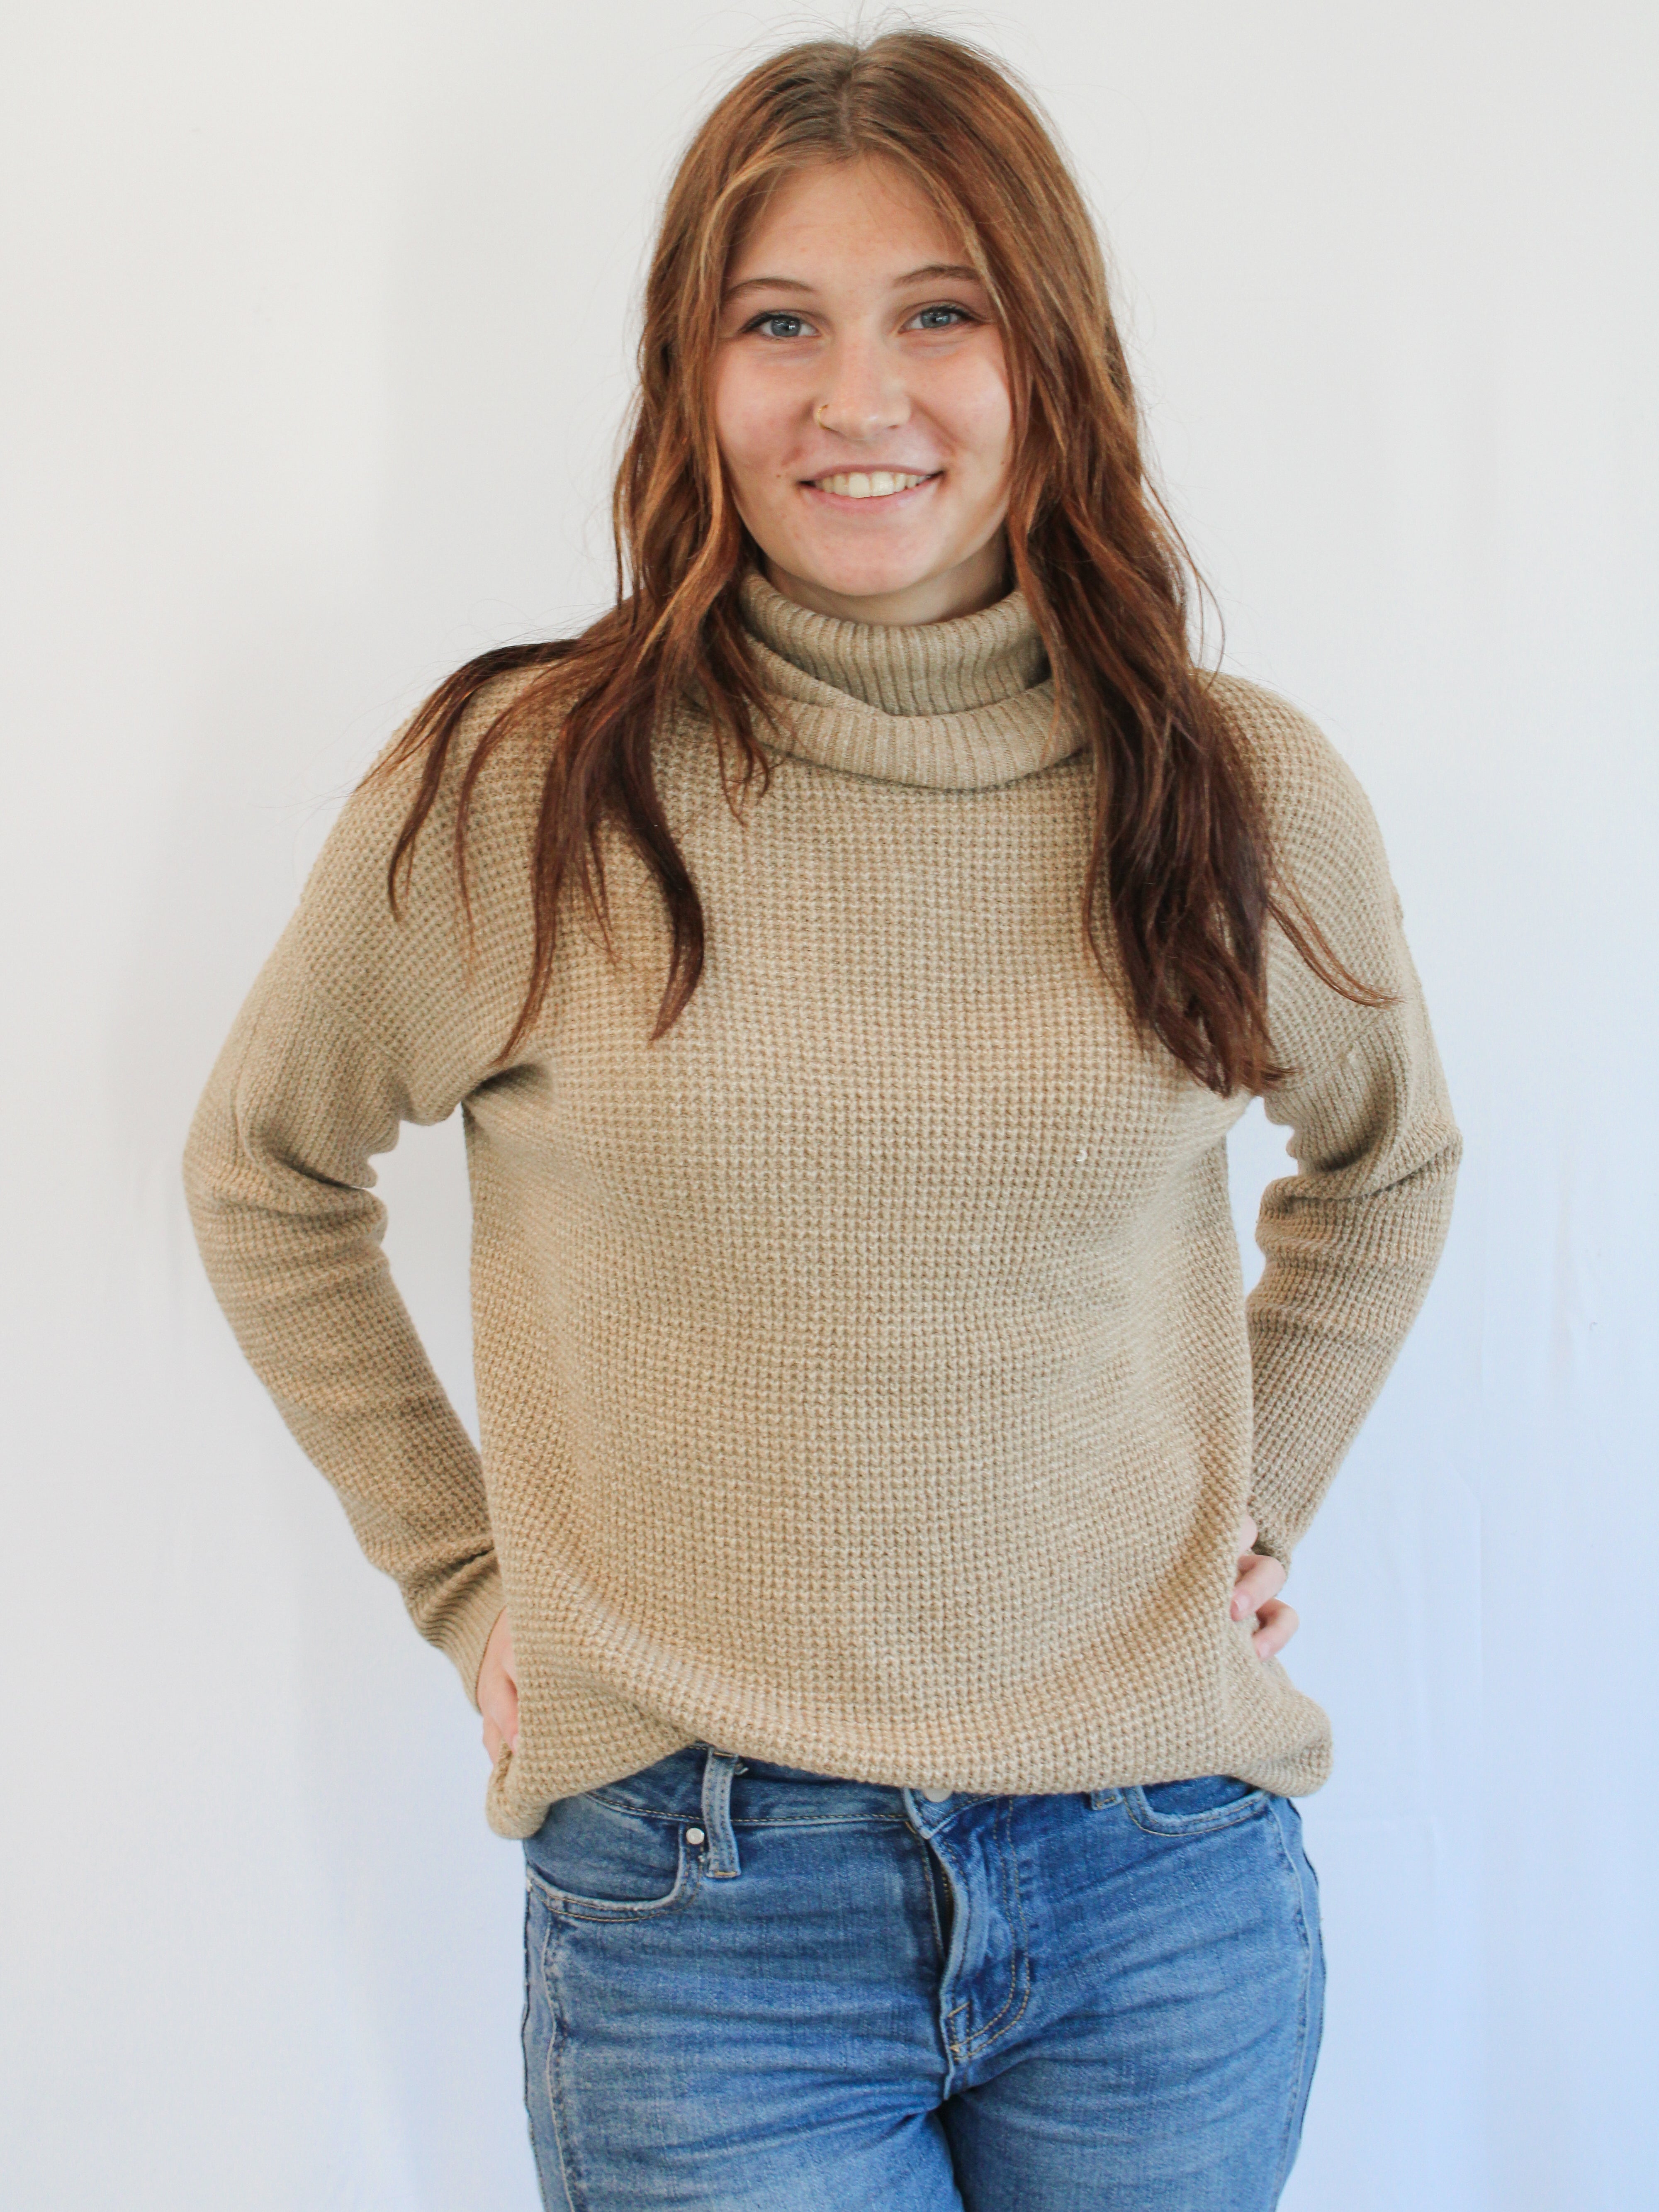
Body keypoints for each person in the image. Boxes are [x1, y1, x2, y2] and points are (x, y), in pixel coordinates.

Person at [184, 29, 1460, 2212]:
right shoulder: (521, 794)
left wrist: (1262, 1501)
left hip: (1158, 1877)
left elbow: (1389, 1165)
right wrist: (467, 1577)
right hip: (706, 1914)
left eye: (938, 313)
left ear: (1049, 358)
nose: (859, 399)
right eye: (780, 323)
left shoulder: (1235, 791)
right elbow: (267, 1172)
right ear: (690, 373)